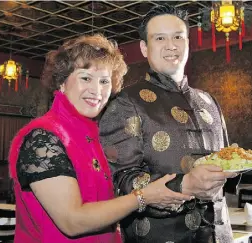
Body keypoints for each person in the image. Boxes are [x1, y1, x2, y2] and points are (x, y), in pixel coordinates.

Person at [8, 34, 192, 243]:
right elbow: (72, 220)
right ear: (61, 82)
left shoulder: (94, 135)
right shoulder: (43, 137)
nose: (97, 90)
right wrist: (143, 197)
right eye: (85, 78)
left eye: (104, 81)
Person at [99, 4, 238, 243]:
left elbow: (225, 162)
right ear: (144, 48)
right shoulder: (125, 103)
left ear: (188, 43)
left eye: (178, 37)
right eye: (160, 38)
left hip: (220, 235)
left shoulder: (209, 102)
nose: (171, 45)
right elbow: (119, 180)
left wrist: (233, 164)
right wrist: (184, 184)